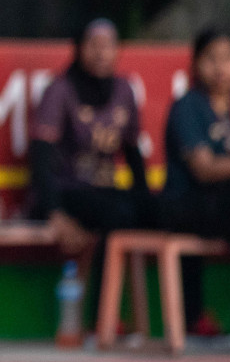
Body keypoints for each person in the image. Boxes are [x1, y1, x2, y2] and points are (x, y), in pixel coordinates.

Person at [29, 19, 157, 250]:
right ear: (78, 47)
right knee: (116, 215)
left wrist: (146, 202)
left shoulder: (124, 90)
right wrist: (53, 213)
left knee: (158, 212)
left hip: (105, 189)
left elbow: (132, 153)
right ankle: (104, 287)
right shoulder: (59, 90)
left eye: (108, 45)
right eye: (93, 45)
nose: (101, 53)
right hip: (68, 191)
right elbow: (41, 158)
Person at [162, 28, 230, 337]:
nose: (219, 67)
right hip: (192, 206)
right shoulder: (187, 107)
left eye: (227, 59)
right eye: (210, 59)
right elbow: (204, 170)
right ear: (195, 63)